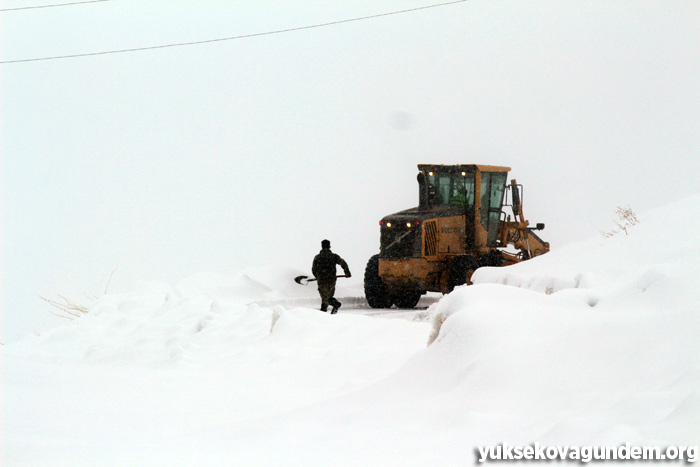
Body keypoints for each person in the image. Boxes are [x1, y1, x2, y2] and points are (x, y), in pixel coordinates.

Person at [312, 239, 351, 314]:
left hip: (322, 280)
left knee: (325, 297)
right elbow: (343, 263)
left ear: (322, 246)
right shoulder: (334, 256)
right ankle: (323, 311)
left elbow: (314, 269)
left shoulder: (317, 257)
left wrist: (318, 276)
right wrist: (347, 272)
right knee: (328, 296)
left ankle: (335, 305)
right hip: (331, 280)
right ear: (329, 246)